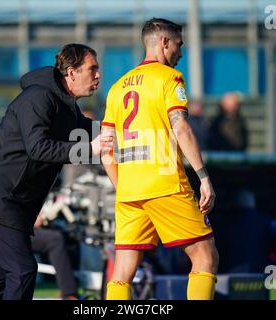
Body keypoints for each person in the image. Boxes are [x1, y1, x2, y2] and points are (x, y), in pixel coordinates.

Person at [0, 43, 112, 300]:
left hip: (5, 200)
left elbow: (89, 128)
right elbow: (39, 148)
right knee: (22, 270)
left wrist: (124, 130)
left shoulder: (66, 105)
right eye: (92, 69)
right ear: (71, 73)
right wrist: (90, 149)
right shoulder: (38, 97)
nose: (98, 75)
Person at [101, 18, 218, 300]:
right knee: (205, 256)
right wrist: (203, 177)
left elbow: (106, 151)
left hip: (129, 190)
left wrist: (123, 189)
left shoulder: (116, 88)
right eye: (179, 44)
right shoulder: (170, 78)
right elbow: (180, 127)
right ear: (164, 43)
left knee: (123, 272)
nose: (181, 52)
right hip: (165, 182)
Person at [31, 214, 79, 300]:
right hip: (12, 230)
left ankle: (70, 290)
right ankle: (69, 294)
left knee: (67, 236)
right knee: (55, 239)